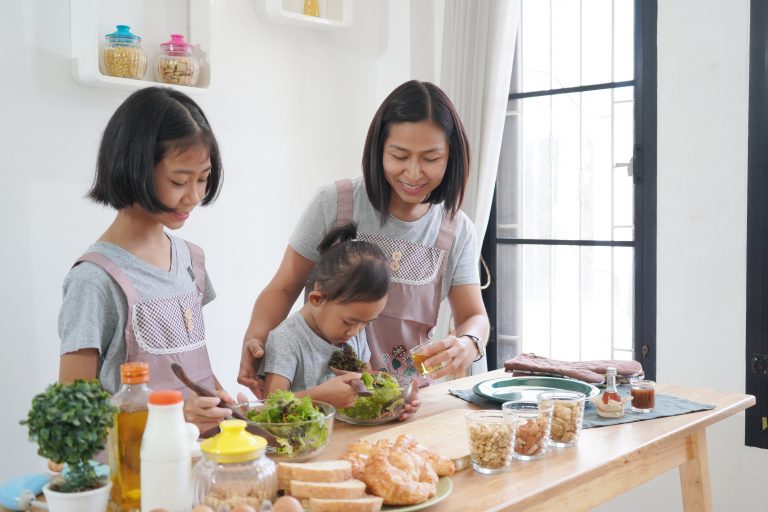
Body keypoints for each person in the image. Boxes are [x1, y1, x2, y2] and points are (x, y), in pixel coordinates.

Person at [239, 80, 489, 397]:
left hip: (409, 399)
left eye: (430, 158)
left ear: (451, 157)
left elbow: (474, 316)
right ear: (378, 149)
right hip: (326, 401)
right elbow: (284, 285)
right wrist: (256, 338)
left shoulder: (457, 228)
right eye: (399, 156)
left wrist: (469, 342)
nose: (413, 173)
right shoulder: (336, 203)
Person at [58, 87, 239, 432]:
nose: (195, 196)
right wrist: (175, 416)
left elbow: (188, 363)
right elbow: (72, 413)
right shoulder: (95, 281)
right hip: (137, 474)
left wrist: (220, 397)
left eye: (203, 179)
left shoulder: (190, 260)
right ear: (135, 167)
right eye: (179, 180)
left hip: (202, 459)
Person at [262, 223, 419, 416]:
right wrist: (319, 398)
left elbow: (368, 386)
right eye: (348, 322)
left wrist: (396, 401)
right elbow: (270, 408)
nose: (355, 332)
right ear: (317, 299)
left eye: (366, 323)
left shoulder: (356, 333)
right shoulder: (287, 340)